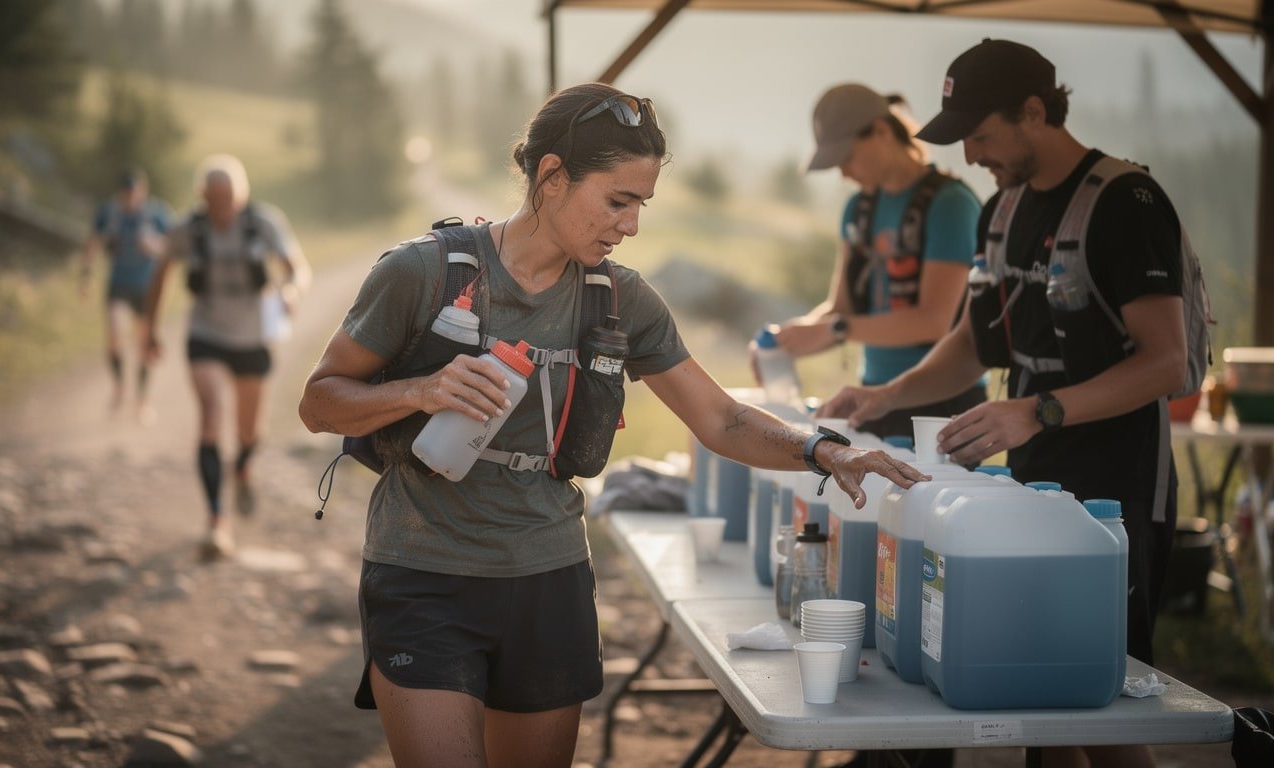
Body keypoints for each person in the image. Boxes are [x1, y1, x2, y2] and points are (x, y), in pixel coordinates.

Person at [298, 82, 926, 768]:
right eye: (617, 200)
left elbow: (719, 418)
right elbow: (320, 401)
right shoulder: (422, 271)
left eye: (641, 206)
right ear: (552, 177)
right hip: (423, 574)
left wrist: (822, 451)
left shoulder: (622, 300)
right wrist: (422, 388)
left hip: (550, 578)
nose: (629, 226)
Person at [823, 39, 1184, 768]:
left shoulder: (1125, 201)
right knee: (1039, 700)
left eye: (981, 136)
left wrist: (1036, 410)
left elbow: (1168, 361)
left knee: (1103, 708)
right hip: (1028, 484)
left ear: (1034, 111)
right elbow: (970, 344)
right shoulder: (1001, 209)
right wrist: (883, 395)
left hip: (1117, 488)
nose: (972, 154)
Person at [761, 84, 984, 442]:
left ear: (882, 132)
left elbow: (933, 321)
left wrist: (836, 329)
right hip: (872, 395)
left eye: (847, 157)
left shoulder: (950, 205)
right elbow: (840, 309)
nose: (844, 174)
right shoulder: (858, 210)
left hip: (943, 406)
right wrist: (785, 342)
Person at [145, 154, 311, 559]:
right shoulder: (189, 229)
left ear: (241, 195)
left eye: (228, 196)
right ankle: (216, 520)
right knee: (211, 415)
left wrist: (290, 291)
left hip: (253, 335)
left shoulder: (263, 222)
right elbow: (162, 270)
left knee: (250, 431)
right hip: (207, 333)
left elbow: (297, 268)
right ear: (202, 196)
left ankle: (242, 468)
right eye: (213, 196)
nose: (220, 204)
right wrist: (149, 328)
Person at [79, 168, 173, 424]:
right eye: (126, 194)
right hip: (118, 284)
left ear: (143, 191)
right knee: (115, 335)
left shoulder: (157, 214)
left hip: (146, 288)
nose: (131, 199)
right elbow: (93, 242)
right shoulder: (110, 213)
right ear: (120, 194)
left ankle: (141, 401)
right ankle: (119, 388)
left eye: (135, 193)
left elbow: (173, 247)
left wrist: (152, 244)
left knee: (143, 344)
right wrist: (86, 276)